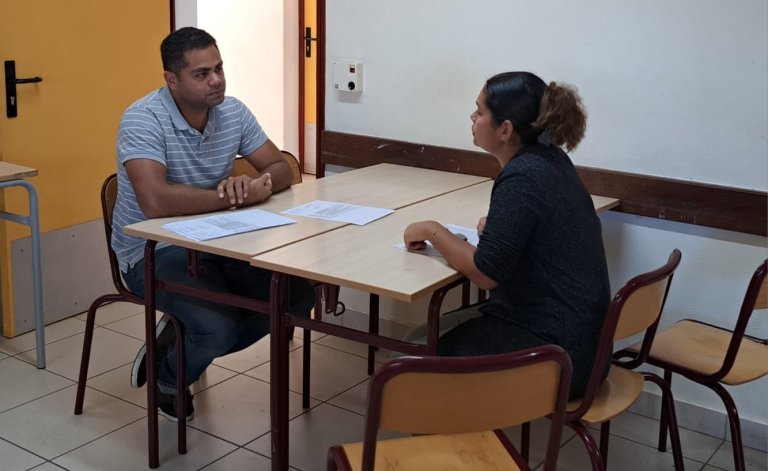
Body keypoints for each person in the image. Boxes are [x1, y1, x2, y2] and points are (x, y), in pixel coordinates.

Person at [113, 27, 315, 421]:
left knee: (297, 297)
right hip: (152, 251)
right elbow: (154, 202)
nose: (217, 80)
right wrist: (233, 197)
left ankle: (183, 337)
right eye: (202, 74)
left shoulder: (232, 111)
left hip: (219, 242)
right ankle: (168, 378)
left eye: (219, 68)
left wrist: (257, 184)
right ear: (172, 80)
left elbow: (281, 167)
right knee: (217, 328)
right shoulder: (142, 118)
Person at [403, 71, 610, 399]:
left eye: (480, 111)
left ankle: (444, 428)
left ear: (505, 129)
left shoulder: (522, 177)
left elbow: (486, 274)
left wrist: (432, 230)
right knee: (423, 336)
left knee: (406, 361)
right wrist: (501, 228)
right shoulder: (550, 159)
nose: (472, 117)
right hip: (585, 347)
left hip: (557, 356)